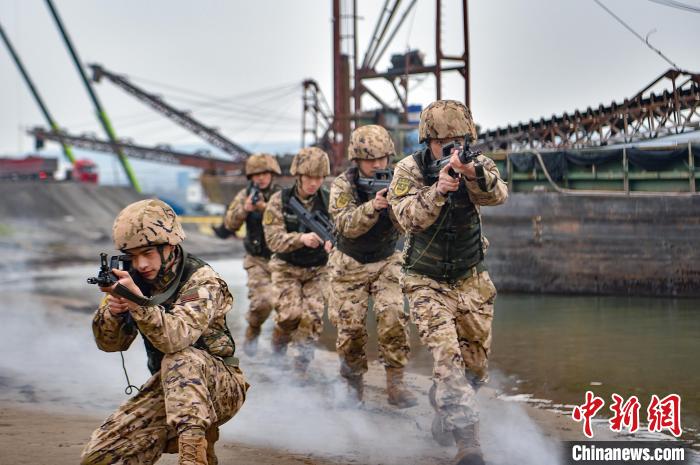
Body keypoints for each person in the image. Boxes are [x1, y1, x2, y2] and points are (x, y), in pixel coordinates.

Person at [81, 199, 248, 465]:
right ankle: (196, 440)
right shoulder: (134, 280)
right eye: (133, 256)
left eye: (147, 253)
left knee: (181, 358)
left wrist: (138, 303)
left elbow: (176, 338)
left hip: (221, 386)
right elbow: (110, 344)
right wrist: (115, 311)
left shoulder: (203, 281)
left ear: (169, 245)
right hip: (171, 388)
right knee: (98, 458)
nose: (141, 263)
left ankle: (194, 457)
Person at [387, 100, 508, 465]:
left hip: (471, 278)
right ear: (429, 142)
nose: (454, 147)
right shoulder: (408, 170)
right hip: (425, 281)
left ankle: (444, 405)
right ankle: (468, 444)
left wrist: (471, 174)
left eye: (460, 139)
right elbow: (407, 218)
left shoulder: (478, 163)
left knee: (475, 370)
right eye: (445, 142)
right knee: (447, 360)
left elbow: (498, 196)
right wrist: (437, 191)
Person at [328, 124, 416, 408]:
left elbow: (412, 223)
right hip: (349, 264)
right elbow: (343, 225)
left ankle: (396, 383)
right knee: (350, 331)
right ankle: (353, 389)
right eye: (371, 160)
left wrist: (395, 207)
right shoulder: (343, 185)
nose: (378, 165)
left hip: (386, 259)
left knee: (392, 316)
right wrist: (373, 207)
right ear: (357, 160)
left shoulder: (401, 181)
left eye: (382, 159)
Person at [262, 147, 333, 376]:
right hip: (286, 268)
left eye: (319, 178)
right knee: (290, 316)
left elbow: (343, 231)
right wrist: (300, 239)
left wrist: (335, 245)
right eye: (310, 177)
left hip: (318, 269)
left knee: (311, 318)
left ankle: (300, 367)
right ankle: (278, 346)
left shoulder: (330, 200)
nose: (314, 183)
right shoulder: (279, 201)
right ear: (299, 176)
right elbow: (272, 240)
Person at [224, 153, 282, 356]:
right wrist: (244, 209)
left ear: (272, 173)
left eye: (265, 173)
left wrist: (264, 208)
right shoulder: (244, 195)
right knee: (263, 303)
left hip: (283, 260)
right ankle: (253, 329)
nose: (261, 178)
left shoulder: (282, 195)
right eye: (256, 174)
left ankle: (279, 349)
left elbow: (289, 220)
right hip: (256, 259)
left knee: (287, 311)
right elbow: (230, 224)